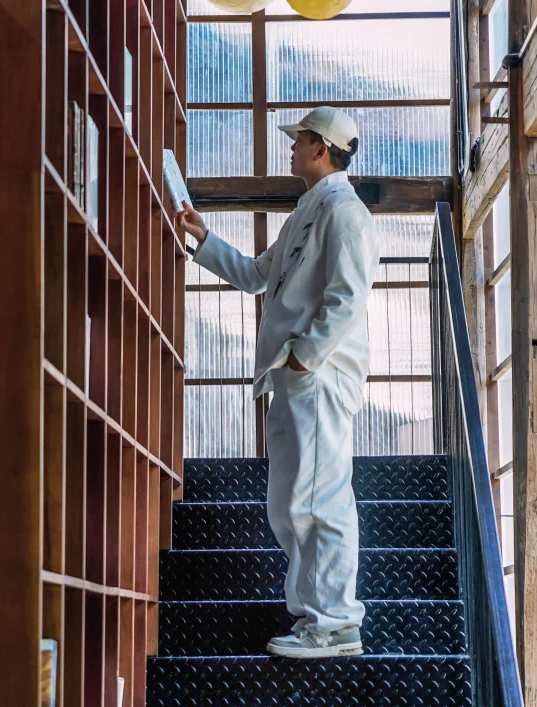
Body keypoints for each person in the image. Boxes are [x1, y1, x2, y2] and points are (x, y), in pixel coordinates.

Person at [177, 106, 379, 660]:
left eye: (298, 140)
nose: (291, 148)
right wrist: (202, 237)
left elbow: (347, 299)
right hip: (293, 377)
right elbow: (254, 276)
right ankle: (316, 618)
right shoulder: (308, 211)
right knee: (291, 503)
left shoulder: (346, 213)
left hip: (316, 376)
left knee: (319, 500)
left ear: (320, 149)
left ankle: (335, 624)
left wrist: (304, 359)